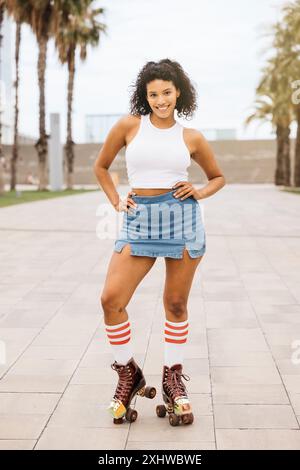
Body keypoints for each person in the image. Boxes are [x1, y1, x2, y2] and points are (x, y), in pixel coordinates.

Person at [93, 58, 226, 426]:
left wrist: (199, 191)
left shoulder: (191, 137)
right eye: (153, 94)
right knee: (111, 300)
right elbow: (101, 167)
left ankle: (172, 379)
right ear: (145, 95)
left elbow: (218, 177)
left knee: (176, 303)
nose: (160, 100)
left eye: (166, 92)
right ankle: (128, 374)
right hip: (139, 222)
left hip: (181, 219)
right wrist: (117, 200)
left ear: (178, 92)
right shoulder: (128, 126)